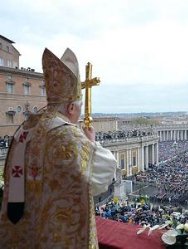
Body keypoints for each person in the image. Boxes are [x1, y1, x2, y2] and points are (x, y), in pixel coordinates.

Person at [0, 48, 119, 248]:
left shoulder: (25, 128)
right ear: (71, 108)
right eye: (78, 109)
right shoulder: (69, 135)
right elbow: (103, 176)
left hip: (23, 231)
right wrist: (91, 143)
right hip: (59, 236)